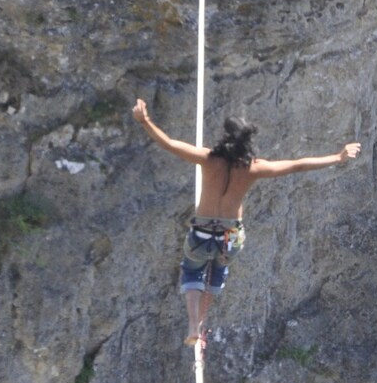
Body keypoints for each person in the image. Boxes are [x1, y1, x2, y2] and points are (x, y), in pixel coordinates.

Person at [131, 99, 362, 347]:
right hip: (230, 235)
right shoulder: (253, 168)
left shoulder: (208, 159)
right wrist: (337, 157)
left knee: (192, 271)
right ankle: (201, 322)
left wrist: (145, 121)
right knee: (217, 272)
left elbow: (168, 144)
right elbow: (298, 165)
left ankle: (192, 325)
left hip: (202, 232)